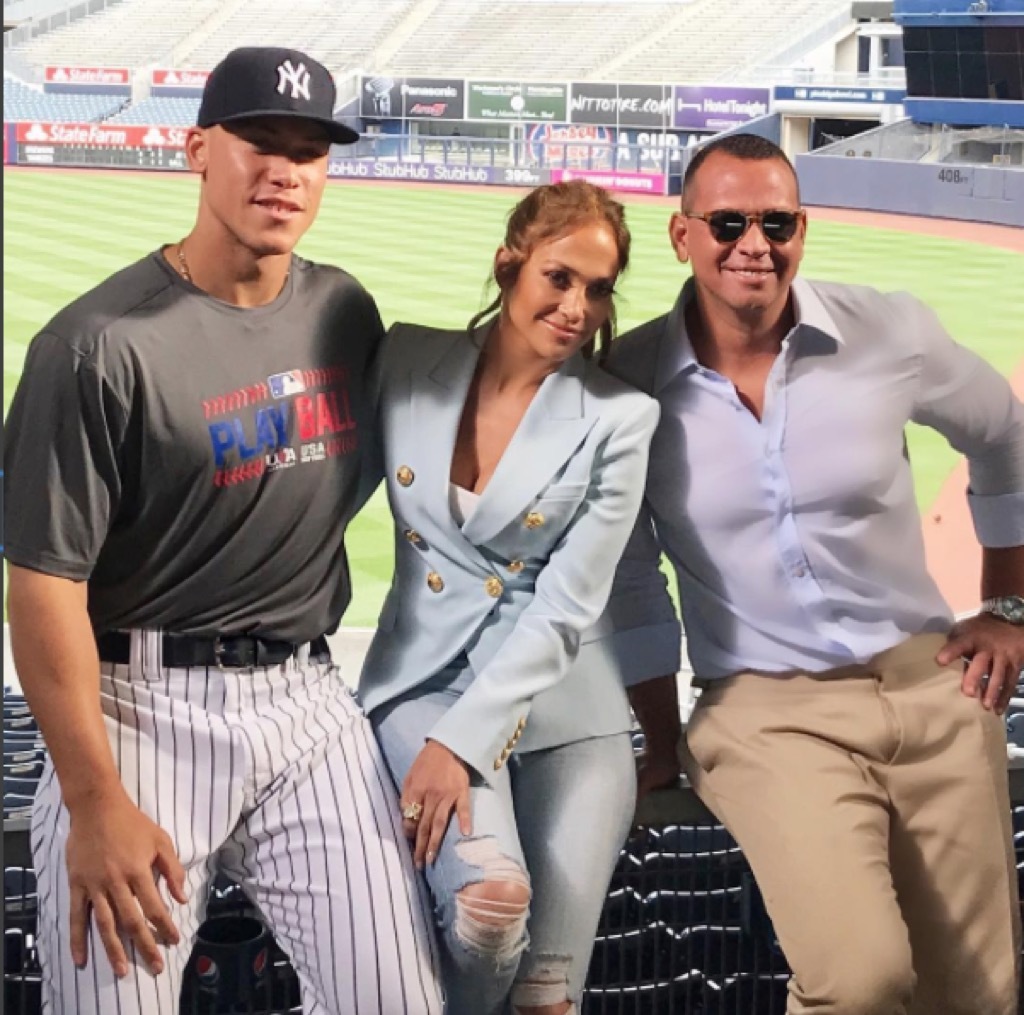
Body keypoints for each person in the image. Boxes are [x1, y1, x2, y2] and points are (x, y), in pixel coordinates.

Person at [4, 46, 441, 1015]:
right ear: (198, 148)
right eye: (259, 142)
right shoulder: (93, 347)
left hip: (305, 705)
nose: (284, 170)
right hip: (136, 714)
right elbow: (42, 588)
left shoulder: (344, 309)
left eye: (309, 150)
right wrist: (92, 800)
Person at [605, 133, 1024, 1015]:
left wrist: (1007, 606)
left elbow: (1003, 433)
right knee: (859, 981)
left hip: (933, 684)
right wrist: (658, 733)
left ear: (803, 229)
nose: (753, 242)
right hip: (767, 711)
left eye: (775, 221)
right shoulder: (627, 387)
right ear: (683, 237)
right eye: (726, 221)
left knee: (979, 997)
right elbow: (633, 579)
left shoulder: (889, 331)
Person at [357, 181, 660, 1015]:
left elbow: (566, 606)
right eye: (559, 278)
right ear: (508, 265)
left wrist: (464, 743)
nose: (578, 308)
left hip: (574, 717)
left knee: (547, 997)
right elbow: (320, 508)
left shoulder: (621, 417)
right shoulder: (405, 360)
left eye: (598, 290)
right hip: (423, 681)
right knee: (489, 905)